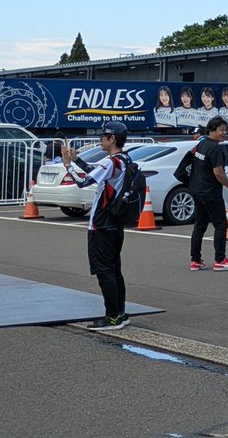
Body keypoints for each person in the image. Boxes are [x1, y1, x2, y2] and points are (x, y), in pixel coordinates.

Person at [59, 122, 134, 331]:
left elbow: (83, 182)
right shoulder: (125, 159)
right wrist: (77, 160)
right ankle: (119, 313)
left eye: (103, 136)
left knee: (104, 272)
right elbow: (95, 173)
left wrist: (67, 166)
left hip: (101, 224)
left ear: (112, 139)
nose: (101, 140)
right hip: (115, 222)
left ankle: (111, 318)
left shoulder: (111, 162)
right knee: (115, 270)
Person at [189, 116, 228, 272]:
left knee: (200, 225)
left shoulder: (202, 145)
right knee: (221, 225)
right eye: (221, 130)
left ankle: (195, 260)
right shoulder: (215, 148)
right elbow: (218, 172)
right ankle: (220, 260)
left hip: (197, 190)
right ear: (211, 130)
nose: (224, 133)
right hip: (210, 192)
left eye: (226, 130)